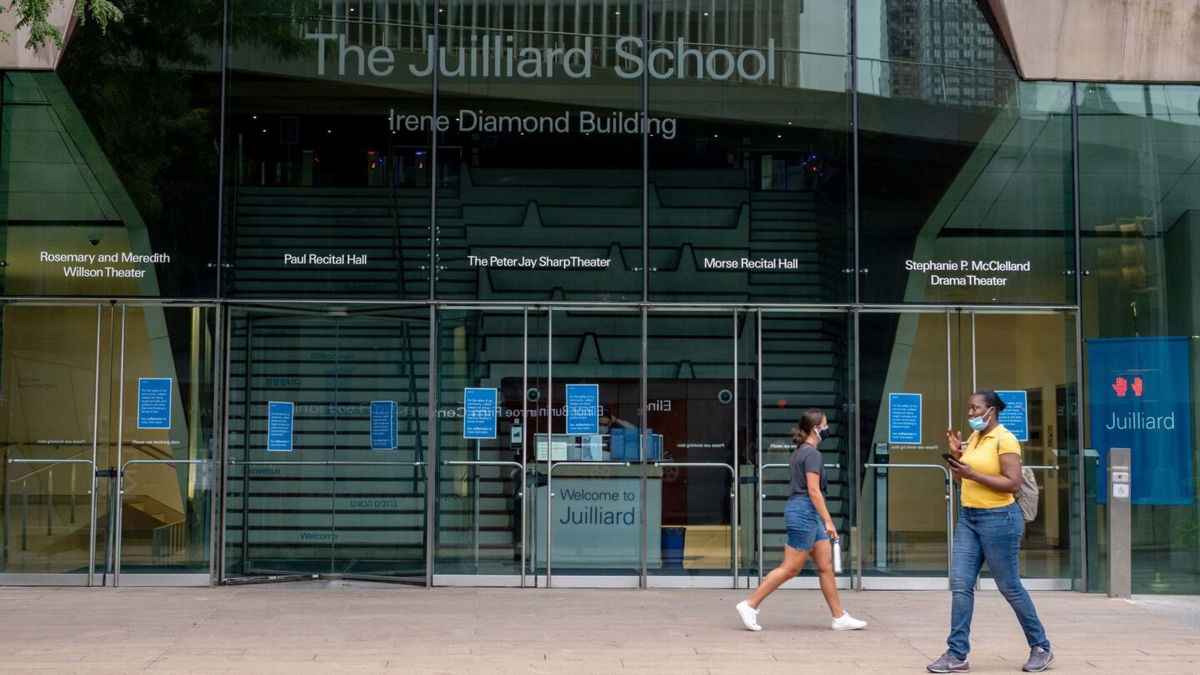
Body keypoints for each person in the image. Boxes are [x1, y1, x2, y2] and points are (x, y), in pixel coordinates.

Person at [927, 390, 1053, 673]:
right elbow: (964, 482)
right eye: (969, 408)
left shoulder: (1004, 439)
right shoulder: (973, 439)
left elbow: (1012, 483)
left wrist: (972, 473)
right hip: (969, 517)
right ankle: (957, 654)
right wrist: (958, 458)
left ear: (991, 411)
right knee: (960, 586)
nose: (970, 413)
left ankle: (1041, 647)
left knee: (1009, 586)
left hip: (1000, 518)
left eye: (975, 408)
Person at [735, 408, 867, 632]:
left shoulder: (800, 452)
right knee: (791, 568)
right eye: (825, 424)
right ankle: (750, 605)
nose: (827, 428)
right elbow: (814, 491)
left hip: (806, 512)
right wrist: (828, 521)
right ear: (816, 429)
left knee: (825, 565)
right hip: (805, 512)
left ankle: (839, 616)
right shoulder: (812, 454)